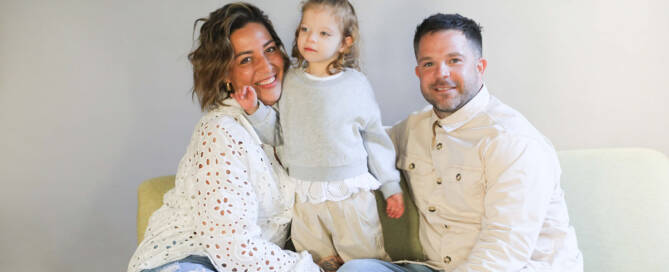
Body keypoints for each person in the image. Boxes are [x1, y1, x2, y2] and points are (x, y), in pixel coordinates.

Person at [339, 13, 583, 272]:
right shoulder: (413, 128)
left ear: (480, 67)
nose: (441, 74)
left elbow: (502, 255)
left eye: (454, 60)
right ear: (418, 71)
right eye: (429, 64)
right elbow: (358, 148)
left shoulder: (514, 143)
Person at [127, 3, 320, 272]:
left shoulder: (290, 126)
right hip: (189, 264)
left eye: (270, 49)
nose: (266, 66)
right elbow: (233, 247)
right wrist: (313, 269)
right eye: (245, 59)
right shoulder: (221, 131)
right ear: (226, 74)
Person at [232, 0, 404, 270]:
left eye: (324, 33)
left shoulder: (355, 84)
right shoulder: (289, 82)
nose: (310, 38)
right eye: (305, 29)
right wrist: (254, 111)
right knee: (315, 263)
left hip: (349, 195)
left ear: (344, 43)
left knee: (362, 262)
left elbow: (375, 137)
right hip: (305, 197)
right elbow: (277, 134)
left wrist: (390, 185)